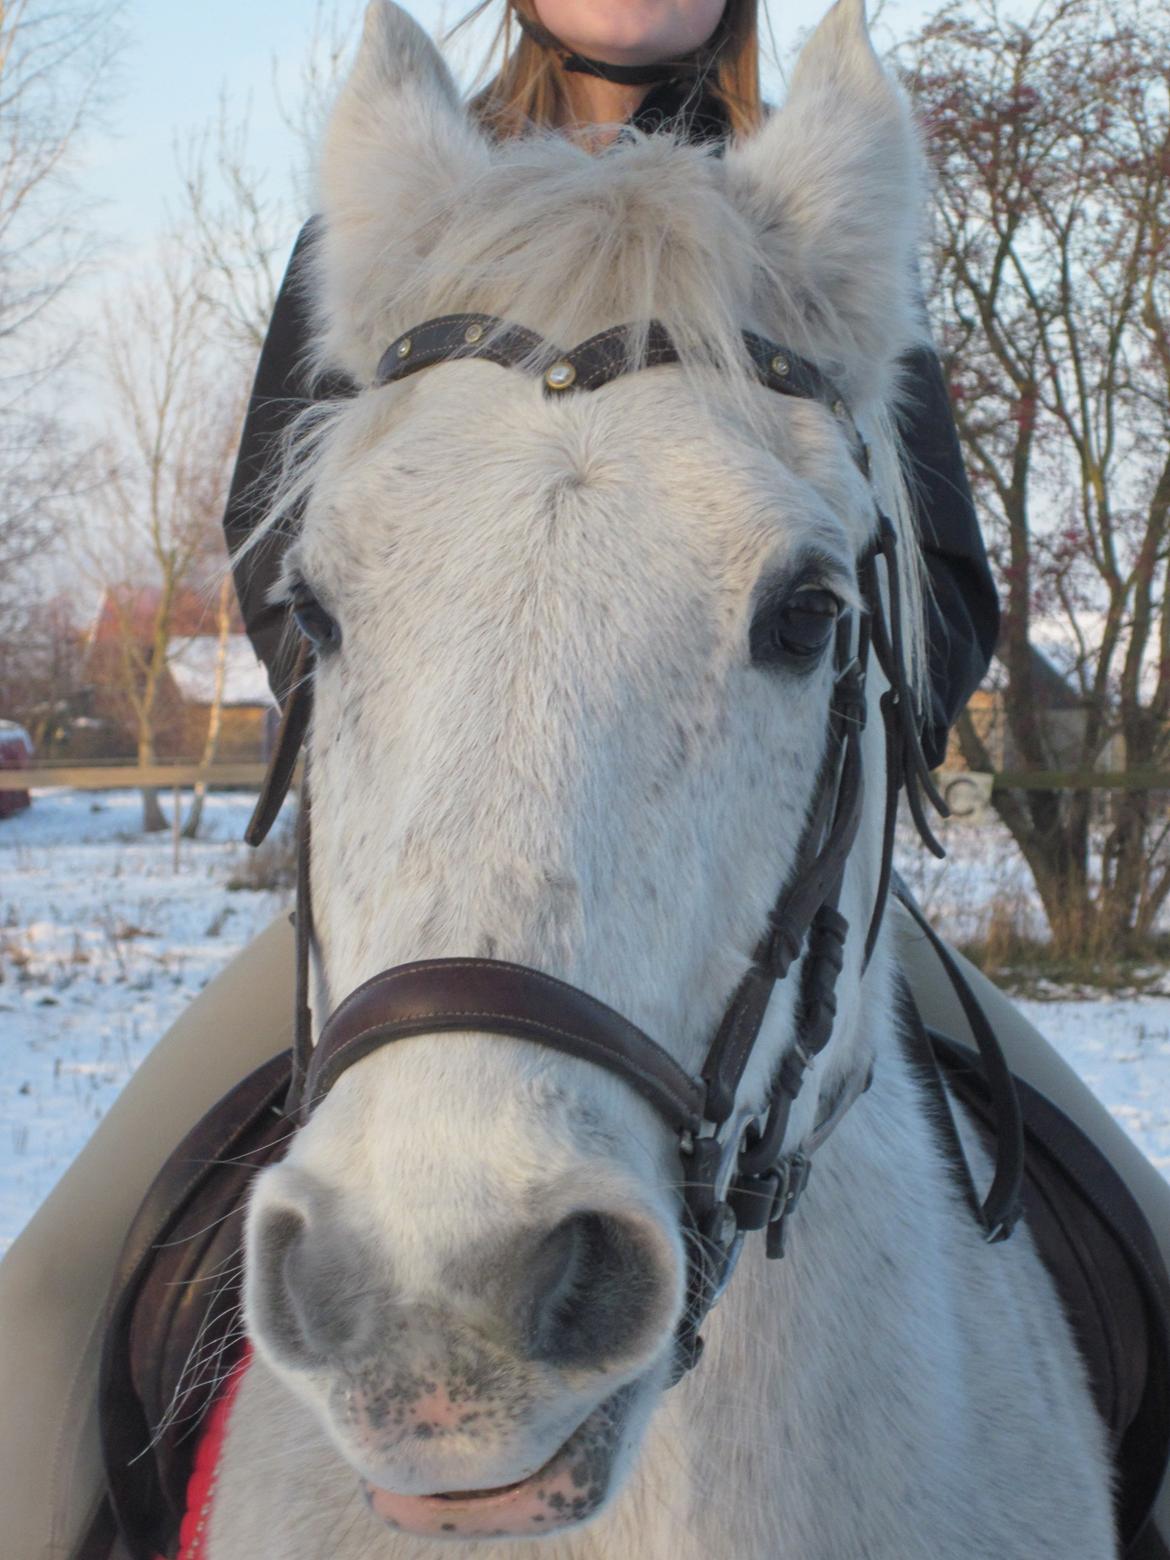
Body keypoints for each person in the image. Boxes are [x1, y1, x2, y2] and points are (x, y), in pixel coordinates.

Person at [1, 5, 1165, 1559]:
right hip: (427, 876)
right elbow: (304, 573)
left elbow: (942, 593)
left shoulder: (808, 241)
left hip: (760, 876)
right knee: (40, 1309)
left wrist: (810, 670)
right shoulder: (398, 229)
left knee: (1150, 1253)